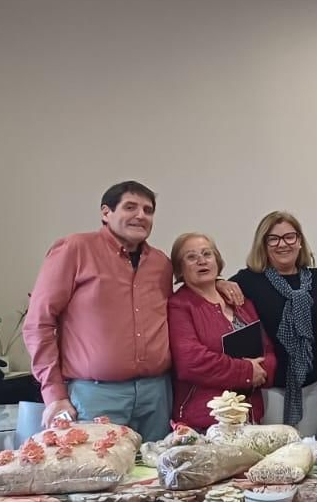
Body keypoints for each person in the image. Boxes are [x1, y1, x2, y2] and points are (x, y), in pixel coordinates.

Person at [25, 180, 243, 441]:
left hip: (157, 394)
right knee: (100, 476)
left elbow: (186, 295)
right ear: (106, 213)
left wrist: (217, 282)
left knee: (156, 476)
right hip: (95, 395)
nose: (141, 215)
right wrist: (54, 394)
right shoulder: (75, 250)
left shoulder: (160, 263)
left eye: (148, 210)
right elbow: (39, 323)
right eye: (130, 207)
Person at [230, 211, 317, 437]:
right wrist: (220, 282)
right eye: (274, 238)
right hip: (270, 387)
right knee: (273, 454)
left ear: (299, 241)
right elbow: (214, 291)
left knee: (306, 449)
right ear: (264, 244)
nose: (283, 244)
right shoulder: (249, 280)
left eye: (289, 237)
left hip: (312, 384)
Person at [167, 233, 278, 430]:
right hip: (206, 422)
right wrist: (247, 371)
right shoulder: (180, 305)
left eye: (207, 254)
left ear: (217, 260)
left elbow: (267, 348)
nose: (202, 261)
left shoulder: (238, 300)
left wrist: (263, 371)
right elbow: (191, 362)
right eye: (191, 257)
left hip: (248, 416)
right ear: (180, 268)